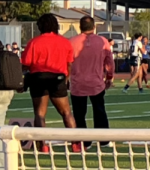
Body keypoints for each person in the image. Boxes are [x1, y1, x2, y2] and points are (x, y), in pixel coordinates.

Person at [20, 14, 79, 152]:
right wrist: (66, 78)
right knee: (66, 112)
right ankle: (75, 144)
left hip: (38, 78)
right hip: (58, 78)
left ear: (40, 26)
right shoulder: (64, 42)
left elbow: (26, 63)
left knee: (40, 114)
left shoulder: (34, 42)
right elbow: (69, 64)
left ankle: (43, 145)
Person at [68, 16, 115, 148]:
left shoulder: (71, 42)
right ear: (94, 27)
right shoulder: (103, 41)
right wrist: (110, 77)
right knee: (99, 110)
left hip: (77, 83)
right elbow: (109, 62)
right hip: (96, 82)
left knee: (79, 114)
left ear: (80, 27)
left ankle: (84, 141)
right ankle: (103, 140)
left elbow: (67, 63)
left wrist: (67, 78)